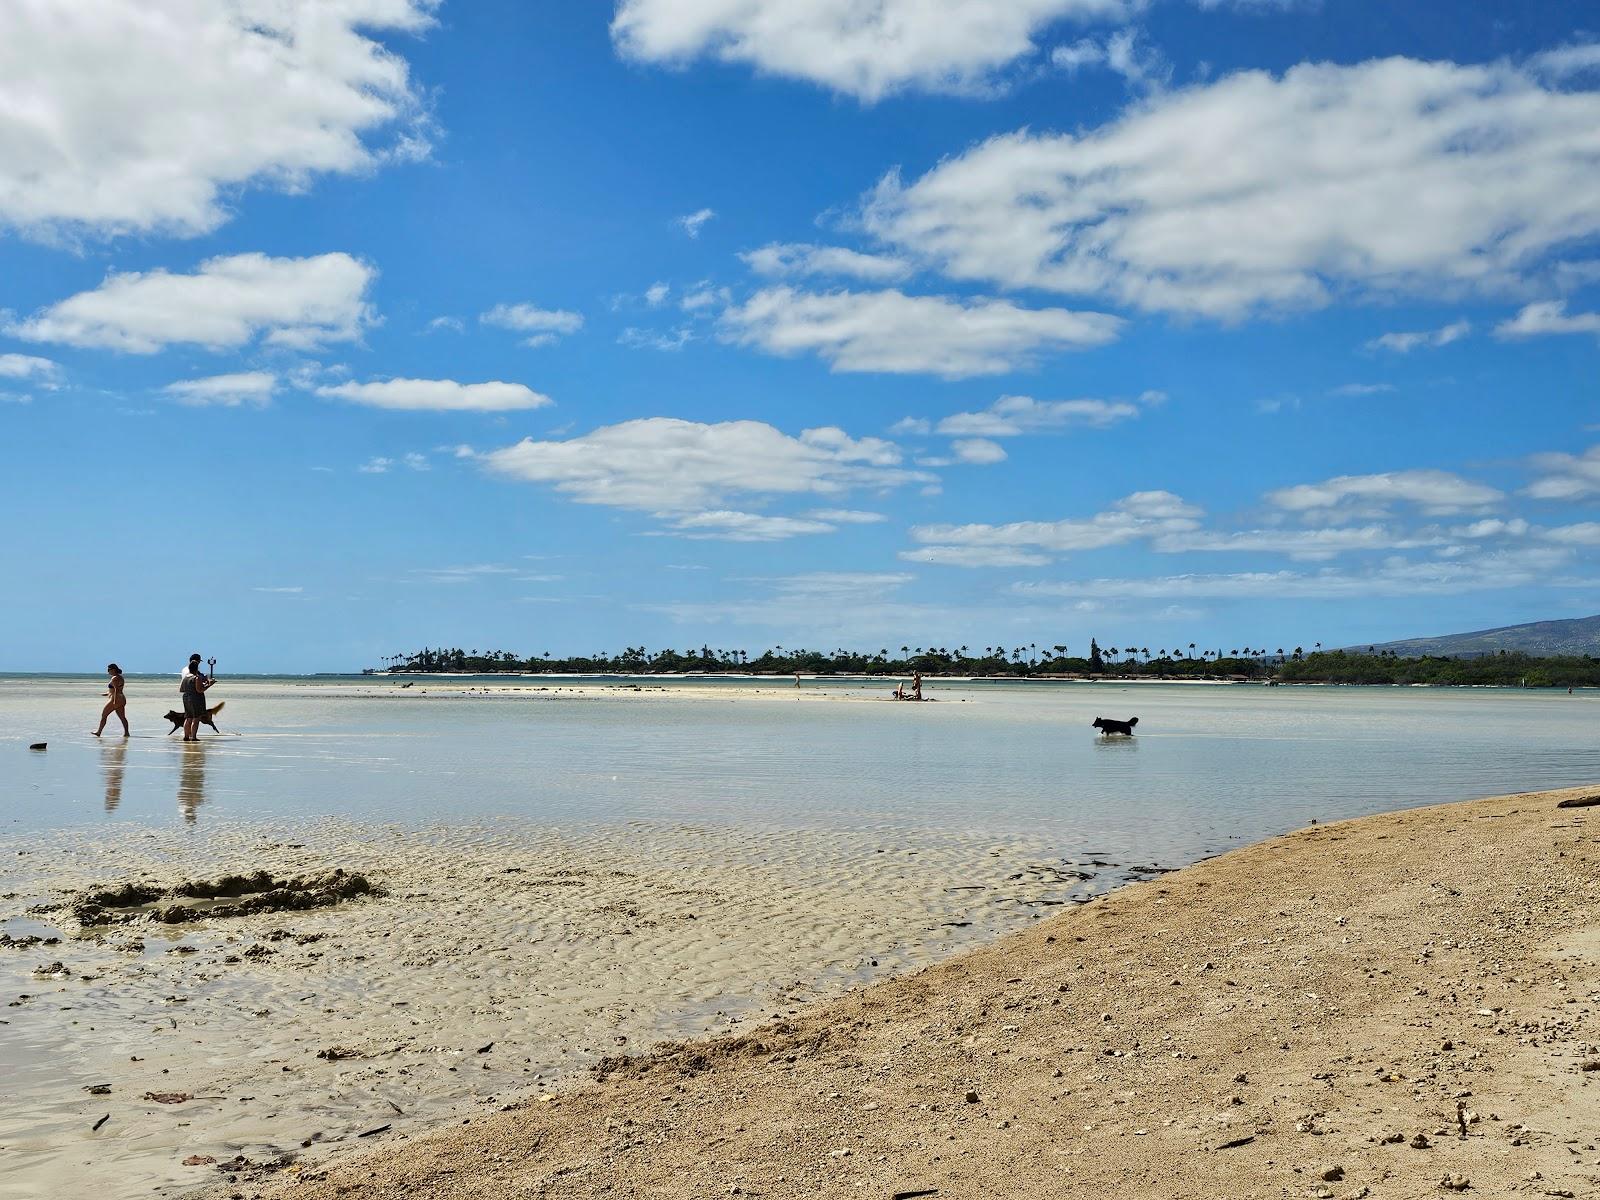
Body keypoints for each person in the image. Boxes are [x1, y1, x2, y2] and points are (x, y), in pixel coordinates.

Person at [180, 653, 212, 742]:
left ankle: (186, 737)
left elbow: (183, 687)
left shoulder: (186, 674)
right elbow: (199, 690)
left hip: (186, 697)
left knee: (188, 717)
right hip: (195, 698)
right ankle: (193, 737)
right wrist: (209, 685)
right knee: (196, 718)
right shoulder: (196, 677)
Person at [93, 663, 129, 736]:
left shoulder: (114, 678)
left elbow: (115, 690)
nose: (108, 671)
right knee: (122, 717)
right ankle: (126, 733)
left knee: (104, 715)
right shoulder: (120, 677)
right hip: (121, 698)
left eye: (109, 670)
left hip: (116, 699)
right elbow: (117, 689)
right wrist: (107, 693)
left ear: (113, 670)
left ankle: (98, 732)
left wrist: (114, 701)